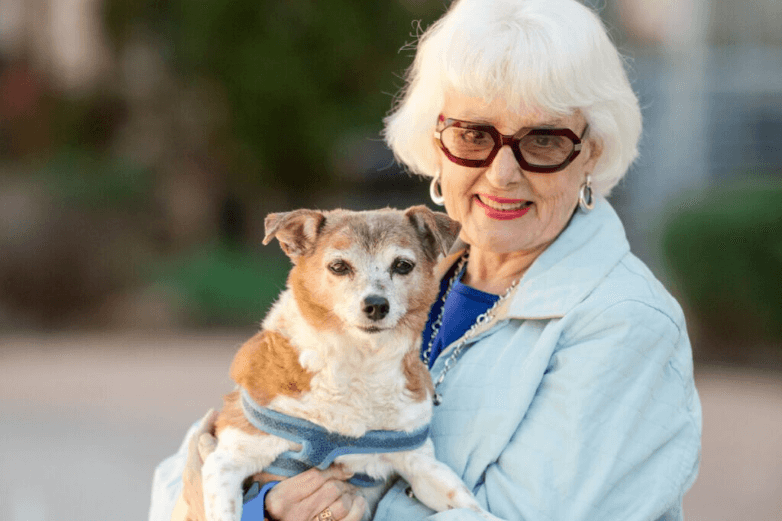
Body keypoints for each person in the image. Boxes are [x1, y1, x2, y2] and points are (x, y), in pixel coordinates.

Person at [149, 0, 702, 519]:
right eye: (472, 134)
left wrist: (341, 508)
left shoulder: (627, 324)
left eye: (544, 141)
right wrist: (261, 507)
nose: (502, 173)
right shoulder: (408, 279)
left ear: (592, 153)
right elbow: (176, 482)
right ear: (437, 142)